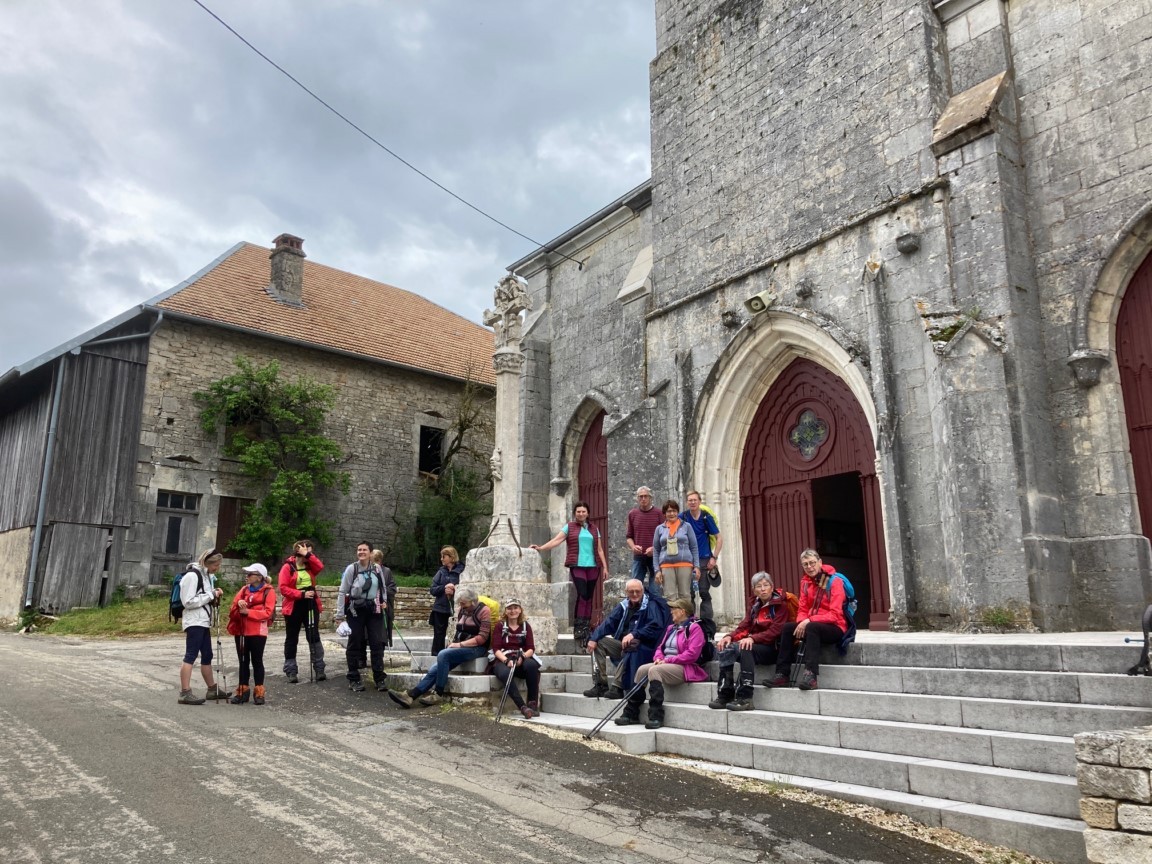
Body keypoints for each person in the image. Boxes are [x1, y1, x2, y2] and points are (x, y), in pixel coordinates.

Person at [389, 585, 491, 708]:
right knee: (435, 668)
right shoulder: (462, 610)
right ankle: (411, 696)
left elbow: (482, 638)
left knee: (442, 654)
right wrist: (453, 644)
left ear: (473, 601)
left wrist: (459, 645)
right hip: (461, 646)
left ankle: (438, 693)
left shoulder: (484, 611)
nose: (461, 606)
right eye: (460, 603)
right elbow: (459, 631)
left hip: (477, 648)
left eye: (464, 604)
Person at [530, 501, 609, 650]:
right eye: (578, 512)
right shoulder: (569, 527)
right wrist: (541, 548)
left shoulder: (594, 529)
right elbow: (557, 540)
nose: (581, 514)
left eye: (583, 511)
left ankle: (587, 627)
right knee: (582, 594)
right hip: (577, 565)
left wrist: (604, 567)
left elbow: (599, 550)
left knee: (589, 597)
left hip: (593, 566)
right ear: (575, 513)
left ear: (588, 513)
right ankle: (579, 627)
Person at [767, 549, 848, 691]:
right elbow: (802, 608)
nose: (809, 567)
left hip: (835, 626)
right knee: (787, 628)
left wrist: (808, 621)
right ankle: (782, 674)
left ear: (820, 562)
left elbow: (835, 614)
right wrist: (802, 622)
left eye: (812, 563)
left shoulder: (835, 582)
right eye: (805, 564)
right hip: (812, 624)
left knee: (812, 627)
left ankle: (810, 676)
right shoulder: (805, 582)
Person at [620, 597, 707, 729]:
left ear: (682, 611)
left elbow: (691, 655)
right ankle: (631, 712)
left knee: (654, 671)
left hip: (685, 667)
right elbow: (660, 648)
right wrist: (658, 658)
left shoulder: (695, 629)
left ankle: (656, 715)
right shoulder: (671, 628)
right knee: (642, 669)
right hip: (666, 663)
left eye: (674, 609)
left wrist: (667, 660)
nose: (671, 611)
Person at [710, 571, 791, 710]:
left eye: (766, 585)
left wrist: (753, 638)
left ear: (772, 587)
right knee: (727, 647)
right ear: (754, 590)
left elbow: (775, 631)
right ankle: (726, 694)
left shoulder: (781, 606)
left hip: (773, 648)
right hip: (754, 644)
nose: (763, 589)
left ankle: (745, 697)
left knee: (746, 648)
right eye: (759, 586)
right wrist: (729, 636)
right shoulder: (755, 606)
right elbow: (744, 626)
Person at [584, 578, 670, 699]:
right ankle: (601, 684)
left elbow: (654, 627)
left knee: (631, 644)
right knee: (599, 641)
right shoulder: (624, 605)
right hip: (623, 644)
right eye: (631, 592)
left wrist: (634, 634)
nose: (634, 594)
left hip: (644, 647)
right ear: (626, 592)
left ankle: (617, 687)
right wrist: (594, 638)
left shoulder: (651, 604)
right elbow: (609, 622)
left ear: (642, 590)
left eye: (637, 591)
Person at [177, 548, 230, 705]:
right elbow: (187, 601)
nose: (217, 569)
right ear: (208, 563)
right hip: (194, 621)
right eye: (216, 565)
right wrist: (211, 595)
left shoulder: (206, 576)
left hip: (203, 621)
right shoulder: (192, 576)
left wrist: (213, 594)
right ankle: (184, 692)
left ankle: (212, 689)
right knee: (191, 655)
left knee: (207, 655)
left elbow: (203, 596)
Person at [335, 541, 388, 692]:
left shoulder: (377, 569)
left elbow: (382, 587)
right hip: (355, 610)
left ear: (371, 553)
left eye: (364, 550)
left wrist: (384, 602)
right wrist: (339, 615)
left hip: (373, 609)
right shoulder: (352, 569)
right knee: (355, 642)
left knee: (377, 643)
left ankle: (379, 678)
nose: (361, 552)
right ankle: (353, 678)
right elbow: (342, 591)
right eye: (359, 550)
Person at [226, 563, 277, 705]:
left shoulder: (269, 591)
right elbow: (232, 610)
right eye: (247, 574)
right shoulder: (243, 590)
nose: (246, 576)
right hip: (241, 631)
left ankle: (259, 692)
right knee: (243, 661)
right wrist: (239, 605)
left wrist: (248, 611)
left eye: (250, 574)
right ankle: (242, 691)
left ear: (260, 577)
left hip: (258, 633)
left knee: (257, 661)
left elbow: (267, 613)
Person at [278, 539, 326, 683]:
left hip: (310, 604)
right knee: (292, 637)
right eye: (306, 551)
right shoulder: (288, 567)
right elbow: (283, 588)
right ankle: (291, 670)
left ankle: (319, 668)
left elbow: (320, 567)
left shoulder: (310, 565)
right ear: (298, 551)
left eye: (310, 552)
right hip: (294, 605)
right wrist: (301, 594)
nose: (309, 555)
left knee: (313, 636)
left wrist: (309, 556)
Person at [490, 598, 541, 719]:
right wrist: (506, 661)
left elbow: (530, 648)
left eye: (515, 608)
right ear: (506, 611)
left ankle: (532, 703)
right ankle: (522, 706)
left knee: (532, 666)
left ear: (520, 610)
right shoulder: (500, 626)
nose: (513, 611)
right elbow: (496, 648)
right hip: (503, 659)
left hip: (520, 657)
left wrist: (522, 657)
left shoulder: (525, 626)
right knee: (505, 673)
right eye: (509, 608)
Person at [680, 491, 723, 619]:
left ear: (699, 501)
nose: (692, 502)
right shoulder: (683, 517)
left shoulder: (706, 517)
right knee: (689, 594)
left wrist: (714, 558)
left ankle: (707, 627)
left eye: (694, 500)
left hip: (704, 559)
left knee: (704, 592)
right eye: (690, 500)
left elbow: (719, 538)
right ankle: (691, 624)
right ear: (687, 502)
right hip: (687, 560)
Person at [652, 499, 699, 604]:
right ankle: (673, 620)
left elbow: (694, 547)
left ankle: (686, 620)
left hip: (685, 565)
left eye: (674, 510)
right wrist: (657, 570)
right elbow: (656, 550)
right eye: (668, 511)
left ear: (678, 512)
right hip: (666, 566)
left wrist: (697, 566)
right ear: (664, 514)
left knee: (685, 595)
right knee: (669, 596)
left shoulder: (687, 526)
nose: (671, 513)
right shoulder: (659, 529)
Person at [625, 486, 663, 594]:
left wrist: (654, 549)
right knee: (634, 588)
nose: (643, 499)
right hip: (638, 557)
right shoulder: (632, 514)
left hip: (655, 557)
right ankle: (637, 610)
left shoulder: (659, 513)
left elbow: (664, 537)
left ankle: (653, 610)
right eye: (640, 496)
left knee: (655, 590)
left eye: (645, 496)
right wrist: (633, 547)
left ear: (650, 498)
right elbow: (629, 537)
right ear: (637, 499)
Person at [429, 546, 464, 655]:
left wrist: (454, 589)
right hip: (440, 607)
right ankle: (436, 655)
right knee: (438, 634)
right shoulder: (441, 572)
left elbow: (466, 588)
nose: (442, 559)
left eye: (444, 556)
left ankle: (453, 654)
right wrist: (445, 587)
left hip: (457, 608)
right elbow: (433, 589)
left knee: (456, 632)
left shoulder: (462, 570)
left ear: (451, 557)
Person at [372, 548, 398, 648]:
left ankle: (380, 655)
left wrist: (382, 592)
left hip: (382, 608)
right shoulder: (366, 569)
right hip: (369, 608)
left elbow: (392, 589)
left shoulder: (386, 571)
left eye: (375, 561)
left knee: (381, 635)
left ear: (379, 560)